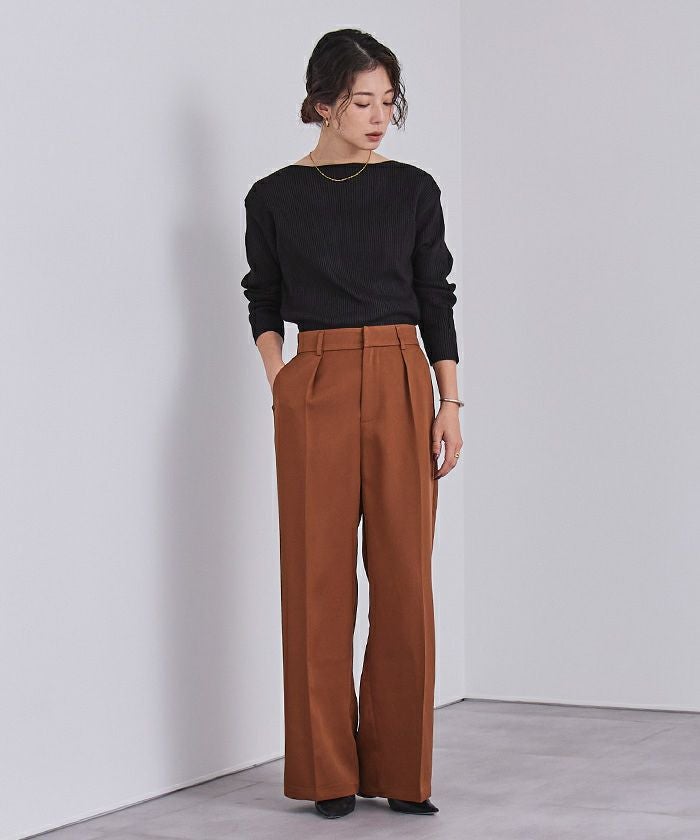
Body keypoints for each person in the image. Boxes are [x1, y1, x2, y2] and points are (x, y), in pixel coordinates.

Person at [241, 28, 463, 820]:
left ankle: (402, 772)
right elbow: (263, 297)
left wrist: (450, 401)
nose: (377, 117)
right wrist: (282, 381)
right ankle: (327, 773)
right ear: (321, 103)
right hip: (316, 378)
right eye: (361, 101)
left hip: (403, 371)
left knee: (405, 580)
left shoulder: (412, 189)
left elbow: (435, 294)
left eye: (387, 102)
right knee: (317, 580)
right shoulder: (273, 196)